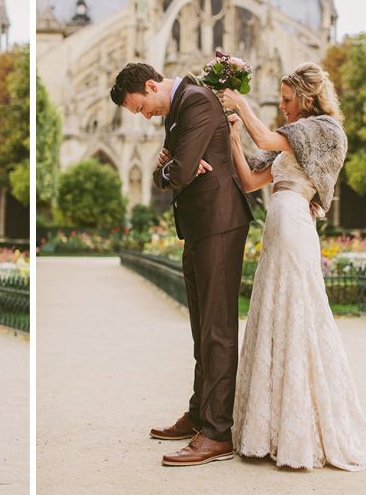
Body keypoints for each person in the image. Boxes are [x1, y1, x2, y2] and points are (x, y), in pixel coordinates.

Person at [218, 62, 366, 471]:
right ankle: (269, 430)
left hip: (294, 224)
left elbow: (266, 136)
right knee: (274, 313)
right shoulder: (292, 138)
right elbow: (249, 181)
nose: (283, 105)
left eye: (288, 100)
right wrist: (234, 140)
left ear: (307, 99)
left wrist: (240, 101)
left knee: (296, 313)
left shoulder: (324, 130)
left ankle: (299, 432)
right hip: (279, 225)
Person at [110, 63, 253, 466]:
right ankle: (198, 414)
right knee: (201, 329)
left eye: (142, 108)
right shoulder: (181, 108)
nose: (145, 117)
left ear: (152, 85)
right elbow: (172, 171)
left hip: (219, 224)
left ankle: (216, 432)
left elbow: (180, 169)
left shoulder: (195, 102)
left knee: (218, 330)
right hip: (201, 226)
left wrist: (171, 167)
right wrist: (170, 169)